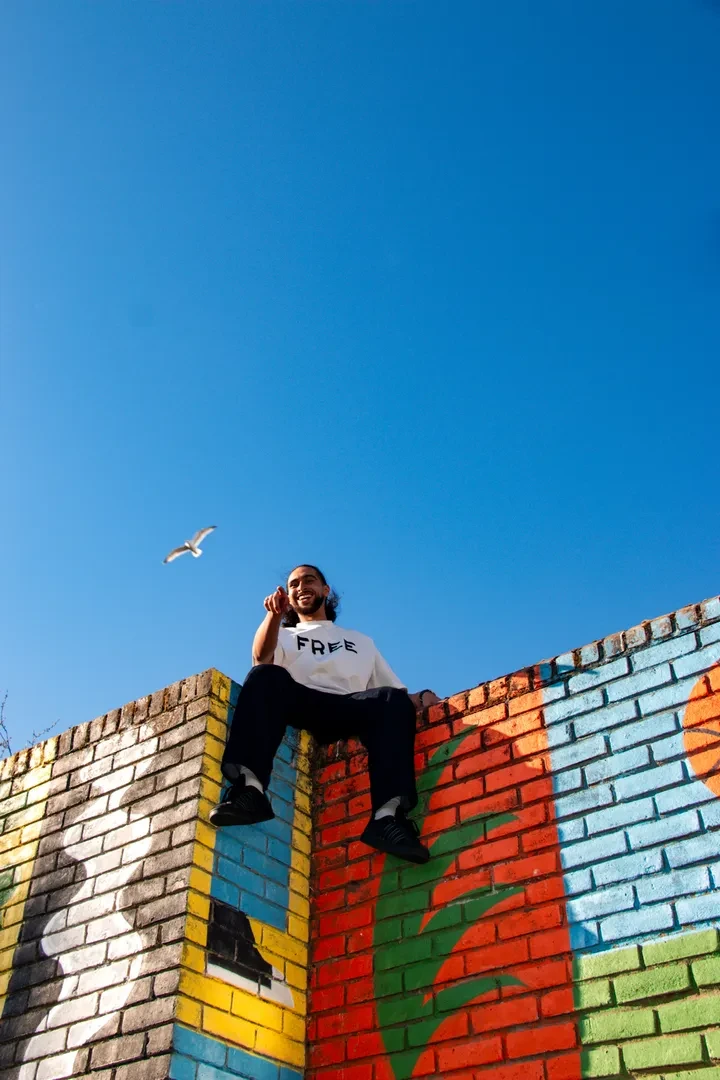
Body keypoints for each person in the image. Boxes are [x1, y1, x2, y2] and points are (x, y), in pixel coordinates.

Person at [209, 564, 439, 864]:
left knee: (391, 700)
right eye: (294, 584)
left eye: (309, 580)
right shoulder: (284, 634)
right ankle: (250, 791)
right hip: (302, 704)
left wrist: (421, 697)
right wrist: (273, 617)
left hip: (349, 707)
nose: (301, 586)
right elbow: (260, 658)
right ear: (288, 596)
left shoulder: (361, 641)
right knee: (265, 675)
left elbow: (392, 691)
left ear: (325, 590)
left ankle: (387, 818)